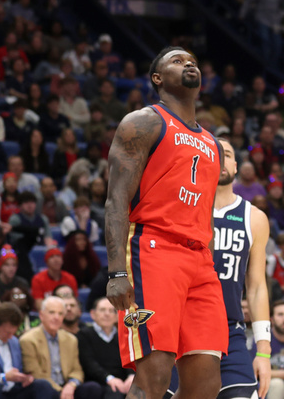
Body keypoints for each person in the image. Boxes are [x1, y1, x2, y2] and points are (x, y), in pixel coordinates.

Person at [104, 47, 226, 399]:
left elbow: (204, 212)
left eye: (193, 60)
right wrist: (116, 272)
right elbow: (116, 201)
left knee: (206, 383)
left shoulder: (212, 144)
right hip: (154, 250)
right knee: (154, 376)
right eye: (177, 60)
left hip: (200, 261)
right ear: (157, 78)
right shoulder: (143, 122)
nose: (189, 63)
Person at [167, 138, 272, 399]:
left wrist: (263, 350)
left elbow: (257, 286)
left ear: (235, 166)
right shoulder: (180, 211)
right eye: (213, 153)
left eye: (226, 154)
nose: (220, 159)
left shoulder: (254, 218)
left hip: (230, 330)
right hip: (180, 327)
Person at [0, 302, 56, 399]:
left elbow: (19, 370)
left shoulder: (14, 341)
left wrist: (24, 378)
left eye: (13, 333)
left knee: (43, 385)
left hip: (13, 389)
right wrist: (3, 377)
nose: (10, 336)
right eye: (7, 332)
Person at [19, 296, 97, 399]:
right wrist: (61, 392)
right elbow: (35, 374)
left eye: (60, 314)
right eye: (52, 312)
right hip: (45, 388)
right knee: (43, 386)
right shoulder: (28, 340)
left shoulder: (71, 339)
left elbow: (77, 370)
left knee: (93, 388)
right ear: (41, 315)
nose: (56, 317)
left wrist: (71, 385)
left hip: (66, 388)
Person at [77, 298, 134, 399]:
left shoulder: (123, 336)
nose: (107, 314)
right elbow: (88, 363)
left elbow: (129, 359)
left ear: (117, 316)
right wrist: (109, 378)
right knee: (114, 392)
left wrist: (131, 376)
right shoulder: (84, 334)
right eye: (102, 310)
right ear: (93, 314)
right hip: (97, 381)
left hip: (122, 382)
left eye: (111, 310)